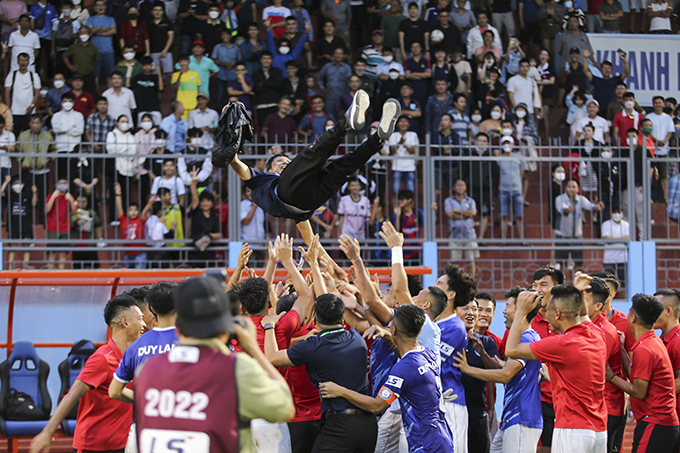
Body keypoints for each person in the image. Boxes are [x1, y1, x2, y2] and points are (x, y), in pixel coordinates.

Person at [133, 276, 295, 452]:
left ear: (178, 327)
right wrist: (253, 349)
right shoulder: (235, 368)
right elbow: (284, 407)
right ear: (227, 328)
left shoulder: (148, 370)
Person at [224, 92, 401, 248]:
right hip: (288, 192)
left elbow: (309, 237)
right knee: (314, 154)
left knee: (345, 165)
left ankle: (378, 138)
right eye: (279, 161)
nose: (285, 162)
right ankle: (346, 122)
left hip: (310, 201)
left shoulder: (298, 187)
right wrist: (230, 148)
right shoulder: (263, 179)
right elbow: (238, 166)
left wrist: (328, 264)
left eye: (287, 160)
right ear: (269, 169)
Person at [320, 304, 453, 452]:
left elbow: (377, 405)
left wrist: (340, 391)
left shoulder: (402, 369)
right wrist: (388, 338)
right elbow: (408, 362)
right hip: (442, 437)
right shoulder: (427, 354)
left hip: (425, 445)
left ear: (394, 329)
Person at [29, 294, 144, 453]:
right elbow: (72, 395)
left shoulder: (132, 358)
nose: (144, 324)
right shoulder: (102, 359)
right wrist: (47, 432)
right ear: (125, 322)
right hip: (92, 446)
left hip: (120, 445)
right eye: (140, 318)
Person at [506, 286, 608, 453]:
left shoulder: (560, 344)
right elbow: (583, 314)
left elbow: (511, 350)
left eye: (548, 310)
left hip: (572, 430)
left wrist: (521, 312)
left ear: (558, 314)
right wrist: (580, 291)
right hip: (599, 429)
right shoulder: (596, 335)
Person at [454, 286, 543, 453]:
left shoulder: (526, 338)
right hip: (512, 418)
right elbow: (507, 368)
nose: (504, 311)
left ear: (521, 310)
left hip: (522, 418)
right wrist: (484, 354)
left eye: (508, 306)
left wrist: (467, 369)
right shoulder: (523, 337)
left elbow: (505, 375)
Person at [607, 293, 680, 451]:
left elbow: (639, 391)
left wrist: (611, 376)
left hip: (656, 422)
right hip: (662, 423)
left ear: (633, 318)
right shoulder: (651, 341)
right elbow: (635, 375)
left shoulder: (645, 349)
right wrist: (621, 350)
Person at [435, 263, 477, 453]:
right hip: (436, 403)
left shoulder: (454, 327)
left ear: (450, 294)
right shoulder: (435, 322)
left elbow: (430, 362)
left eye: (439, 283)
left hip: (451, 402)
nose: (433, 286)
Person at [554, 179, 604, 269]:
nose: (571, 189)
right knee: (562, 262)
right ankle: (562, 282)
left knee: (578, 262)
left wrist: (597, 207)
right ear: (565, 188)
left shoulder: (581, 199)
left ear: (578, 189)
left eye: (574, 187)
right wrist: (567, 210)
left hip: (576, 235)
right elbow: (562, 209)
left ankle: (577, 282)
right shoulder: (559, 199)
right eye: (569, 187)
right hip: (562, 235)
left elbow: (590, 206)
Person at [654, 289, 680, 423]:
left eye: (655, 309)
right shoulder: (662, 339)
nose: (651, 314)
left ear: (669, 311)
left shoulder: (678, 341)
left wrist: (655, 399)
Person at [0, 174, 36, 268]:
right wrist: (6, 182)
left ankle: (26, 267)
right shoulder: (11, 195)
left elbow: (34, 203)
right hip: (13, 225)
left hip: (26, 225)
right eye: (15, 183)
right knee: (12, 247)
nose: (17, 185)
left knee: (26, 247)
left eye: (19, 183)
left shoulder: (27, 194)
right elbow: (1, 193)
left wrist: (35, 193)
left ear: (23, 184)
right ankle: (10, 267)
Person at [445, 179, 479, 276]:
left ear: (466, 188)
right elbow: (449, 214)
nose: (460, 187)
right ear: (454, 188)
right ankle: (454, 284)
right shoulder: (449, 201)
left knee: (471, 261)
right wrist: (466, 213)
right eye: (458, 185)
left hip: (469, 234)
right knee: (454, 262)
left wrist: (457, 210)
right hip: (454, 234)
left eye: (462, 185)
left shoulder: (470, 201)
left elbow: (473, 213)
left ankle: (471, 283)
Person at [187, 174, 221, 267]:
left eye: (208, 201)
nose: (205, 203)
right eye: (203, 201)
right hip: (194, 251)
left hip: (209, 252)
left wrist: (209, 236)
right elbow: (195, 197)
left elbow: (219, 233)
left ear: (212, 203)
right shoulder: (196, 212)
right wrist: (193, 183)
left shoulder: (215, 217)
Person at [646, 95, 674, 203]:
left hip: (664, 150)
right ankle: (648, 197)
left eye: (660, 102)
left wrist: (664, 141)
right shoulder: (649, 116)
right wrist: (656, 141)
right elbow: (647, 131)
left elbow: (670, 132)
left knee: (664, 176)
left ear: (663, 104)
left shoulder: (668, 118)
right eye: (656, 102)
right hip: (651, 150)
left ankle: (666, 198)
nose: (658, 104)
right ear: (653, 105)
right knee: (649, 176)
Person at [115, 182, 150, 268]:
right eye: (131, 210)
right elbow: (119, 207)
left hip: (140, 253)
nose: (133, 212)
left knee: (140, 276)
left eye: (135, 210)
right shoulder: (124, 220)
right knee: (128, 278)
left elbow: (145, 211)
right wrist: (118, 193)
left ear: (138, 212)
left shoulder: (141, 220)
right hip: (128, 253)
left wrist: (150, 202)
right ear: (127, 212)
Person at [6, 52, 40, 137]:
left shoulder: (34, 75)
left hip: (29, 112)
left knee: (29, 136)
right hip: (15, 111)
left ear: (28, 62)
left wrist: (32, 106)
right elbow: (7, 91)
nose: (23, 62)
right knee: (14, 135)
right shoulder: (12, 75)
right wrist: (8, 108)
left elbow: (37, 92)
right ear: (17, 62)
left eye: (25, 60)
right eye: (21, 60)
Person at [86, 0, 116, 87]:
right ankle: (95, 97)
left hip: (108, 51)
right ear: (95, 8)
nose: (100, 7)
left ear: (105, 7)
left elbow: (113, 31)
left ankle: (111, 96)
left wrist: (97, 33)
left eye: (102, 5)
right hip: (95, 52)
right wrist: (99, 27)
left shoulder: (110, 19)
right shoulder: (91, 19)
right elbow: (89, 31)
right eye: (98, 5)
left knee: (110, 75)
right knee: (95, 75)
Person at [318, 47, 352, 118]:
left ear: (343, 56)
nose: (338, 55)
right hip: (330, 96)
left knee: (342, 117)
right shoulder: (327, 67)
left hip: (342, 96)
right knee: (329, 116)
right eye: (336, 53)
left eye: (340, 54)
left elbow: (350, 82)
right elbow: (319, 78)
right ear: (333, 55)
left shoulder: (346, 68)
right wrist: (323, 88)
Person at [337, 176, 371, 240]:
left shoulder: (365, 200)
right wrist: (339, 234)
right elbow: (341, 218)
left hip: (360, 236)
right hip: (346, 235)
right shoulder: (344, 200)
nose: (355, 188)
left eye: (357, 185)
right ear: (349, 187)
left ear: (360, 187)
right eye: (352, 185)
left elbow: (368, 219)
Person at [601, 207, 629, 282]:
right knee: (609, 282)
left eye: (618, 212)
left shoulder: (626, 225)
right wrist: (621, 239)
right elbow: (607, 240)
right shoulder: (606, 224)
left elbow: (627, 238)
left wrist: (613, 239)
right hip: (609, 258)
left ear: (622, 213)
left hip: (623, 257)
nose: (616, 214)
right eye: (615, 212)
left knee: (624, 282)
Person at [148, 1, 174, 80]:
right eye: (155, 10)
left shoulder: (167, 23)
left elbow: (171, 37)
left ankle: (171, 92)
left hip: (166, 52)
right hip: (153, 52)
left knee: (169, 74)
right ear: (152, 12)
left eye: (160, 10)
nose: (157, 12)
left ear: (163, 12)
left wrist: (165, 50)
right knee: (155, 74)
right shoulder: (149, 24)